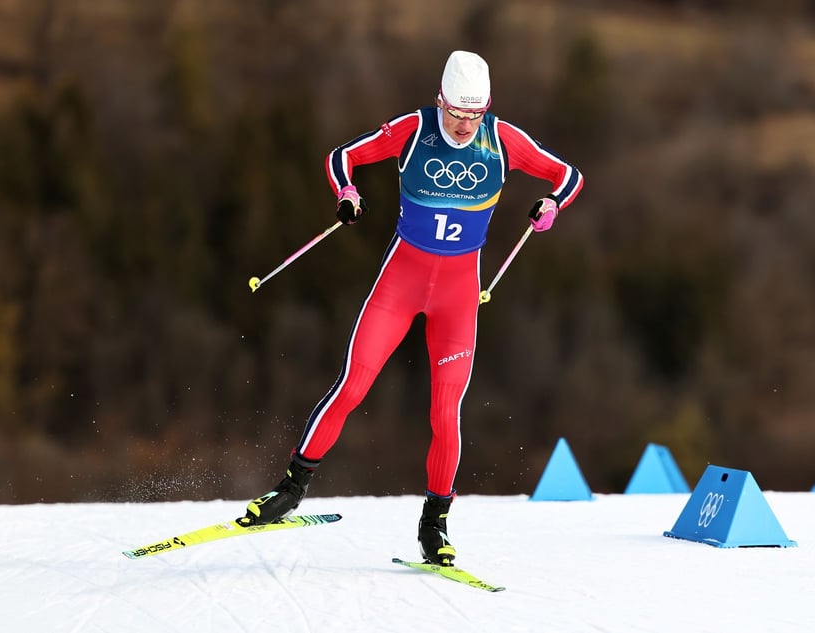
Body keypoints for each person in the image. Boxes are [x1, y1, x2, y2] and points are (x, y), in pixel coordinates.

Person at [238, 50, 584, 565]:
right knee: (352, 385)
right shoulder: (414, 129)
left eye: (475, 115)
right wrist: (348, 192)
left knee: (446, 411)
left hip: (458, 295)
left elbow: (569, 176)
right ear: (439, 101)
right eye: (456, 114)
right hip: (401, 282)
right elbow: (343, 156)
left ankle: (435, 525)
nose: (465, 126)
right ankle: (289, 488)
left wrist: (552, 204)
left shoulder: (503, 139)